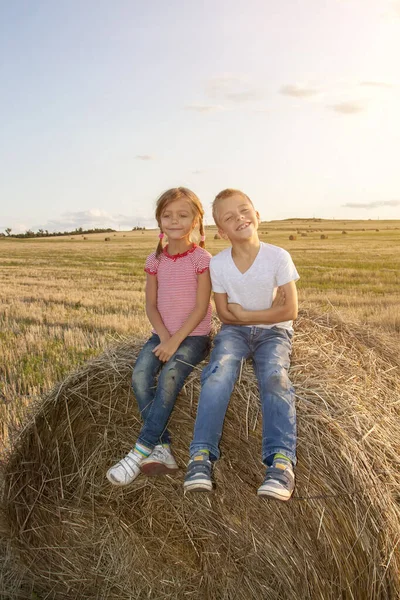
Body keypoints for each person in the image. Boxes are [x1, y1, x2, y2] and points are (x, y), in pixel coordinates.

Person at [184, 188, 299, 501]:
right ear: (221, 231)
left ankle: (281, 462)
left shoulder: (278, 257)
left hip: (275, 332)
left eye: (244, 210)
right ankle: (200, 457)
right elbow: (222, 313)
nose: (240, 219)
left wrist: (248, 314)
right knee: (217, 372)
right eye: (229, 217)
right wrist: (247, 318)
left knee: (276, 377)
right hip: (234, 332)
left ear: (257, 215)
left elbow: (290, 311)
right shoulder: (219, 265)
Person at [107, 188, 212, 486]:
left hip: (194, 336)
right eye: (167, 215)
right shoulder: (154, 261)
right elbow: (150, 305)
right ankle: (163, 447)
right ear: (159, 221)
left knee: (169, 377)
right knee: (140, 375)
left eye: (182, 215)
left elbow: (201, 307)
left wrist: (175, 341)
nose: (174, 220)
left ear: (195, 221)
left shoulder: (202, 259)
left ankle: (139, 451)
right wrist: (164, 337)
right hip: (162, 334)